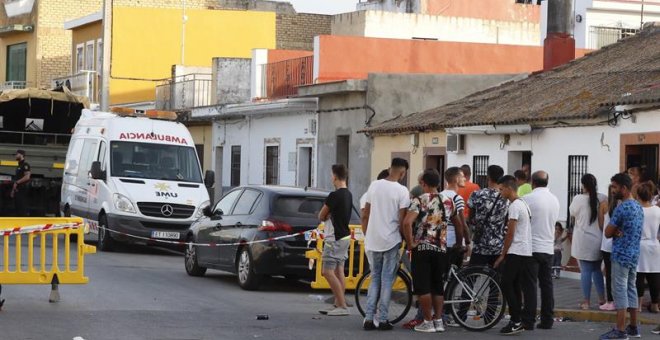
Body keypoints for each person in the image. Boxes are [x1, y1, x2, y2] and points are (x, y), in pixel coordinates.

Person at [402, 169, 462, 333]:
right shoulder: (449, 201)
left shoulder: (419, 200)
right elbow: (458, 224)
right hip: (441, 249)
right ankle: (438, 320)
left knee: (423, 286)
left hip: (422, 248)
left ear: (423, 184)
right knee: (437, 286)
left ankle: (427, 321)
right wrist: (458, 243)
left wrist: (410, 243)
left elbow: (407, 223)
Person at [360, 158, 411, 331]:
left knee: (375, 279)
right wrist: (406, 240)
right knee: (387, 280)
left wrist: (368, 234)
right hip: (391, 240)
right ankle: (382, 319)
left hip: (373, 240)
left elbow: (365, 214)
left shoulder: (374, 185)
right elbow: (402, 219)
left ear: (390, 169)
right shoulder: (402, 191)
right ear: (403, 173)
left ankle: (368, 318)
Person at [600, 173, 644, 340]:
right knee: (631, 289)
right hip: (634, 254)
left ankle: (620, 330)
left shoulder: (621, 208)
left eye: (615, 187)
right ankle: (633, 327)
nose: (613, 190)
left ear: (624, 189)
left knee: (619, 291)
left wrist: (615, 231)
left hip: (620, 256)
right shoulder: (638, 206)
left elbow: (607, 232)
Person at [494, 175, 537, 336]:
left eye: (501, 189)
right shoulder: (523, 203)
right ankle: (516, 320)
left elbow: (510, 234)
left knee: (506, 284)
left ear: (509, 188)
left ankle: (516, 320)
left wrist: (502, 254)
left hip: (516, 251)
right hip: (524, 251)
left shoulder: (514, 206)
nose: (500, 193)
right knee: (515, 286)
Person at [523, 170, 560, 330]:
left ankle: (528, 320)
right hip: (548, 247)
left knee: (530, 286)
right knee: (547, 285)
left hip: (531, 247)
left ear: (533, 182)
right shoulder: (554, 200)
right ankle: (547, 320)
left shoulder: (527, 199)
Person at [318, 164, 353, 316]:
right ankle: (338, 303)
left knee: (327, 271)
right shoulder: (349, 194)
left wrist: (327, 215)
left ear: (335, 177)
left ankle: (342, 306)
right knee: (339, 271)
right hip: (345, 236)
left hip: (334, 237)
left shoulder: (334, 195)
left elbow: (321, 215)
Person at [569, 173, 606, 310]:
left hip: (583, 239)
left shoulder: (578, 199)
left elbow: (572, 214)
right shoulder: (603, 198)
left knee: (585, 270)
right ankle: (602, 299)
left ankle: (586, 301)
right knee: (597, 269)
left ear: (583, 185)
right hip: (598, 239)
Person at [439, 167, 470, 328]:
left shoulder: (441, 195)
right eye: (462, 176)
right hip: (454, 243)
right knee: (452, 280)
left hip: (443, 242)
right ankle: (445, 314)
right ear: (455, 179)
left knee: (442, 279)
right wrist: (467, 242)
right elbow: (462, 224)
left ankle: (441, 313)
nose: (465, 179)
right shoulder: (457, 198)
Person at [468, 165, 507, 267]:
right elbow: (507, 221)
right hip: (498, 245)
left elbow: (470, 218)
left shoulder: (477, 194)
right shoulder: (506, 198)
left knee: (470, 276)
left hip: (480, 245)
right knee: (496, 279)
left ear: (487, 177)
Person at [635, 181, 660, 314]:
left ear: (638, 195)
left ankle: (638, 305)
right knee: (655, 276)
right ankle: (655, 304)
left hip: (639, 244)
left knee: (639, 275)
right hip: (654, 245)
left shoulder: (636, 210)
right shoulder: (657, 211)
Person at [599, 185, 618, 311]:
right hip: (618, 243)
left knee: (609, 274)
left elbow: (601, 225)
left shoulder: (604, 205)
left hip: (606, 244)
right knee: (619, 274)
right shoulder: (622, 205)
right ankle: (619, 300)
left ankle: (610, 301)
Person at [11, 149, 31, 216]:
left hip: (22, 189)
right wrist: (13, 190)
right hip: (17, 189)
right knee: (17, 207)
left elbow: (27, 176)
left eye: (16, 154)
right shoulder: (19, 166)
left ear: (21, 155)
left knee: (22, 207)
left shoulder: (25, 165)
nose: (15, 156)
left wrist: (17, 182)